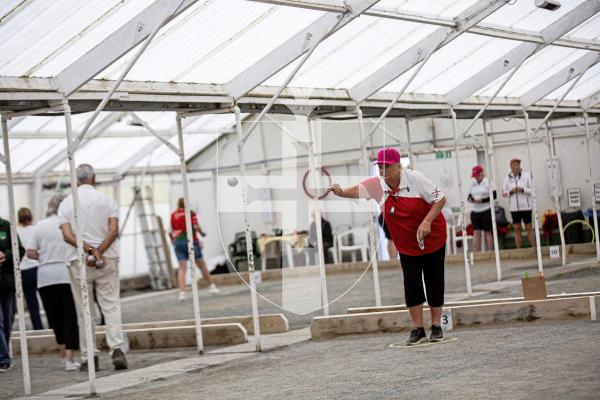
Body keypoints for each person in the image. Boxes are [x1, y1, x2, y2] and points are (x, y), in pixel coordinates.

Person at [329, 147, 447, 345]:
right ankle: (418, 329)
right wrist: (340, 192)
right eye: (379, 166)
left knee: (434, 280)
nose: (381, 170)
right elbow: (356, 190)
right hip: (406, 245)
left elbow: (440, 199)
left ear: (398, 166)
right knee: (411, 284)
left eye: (386, 166)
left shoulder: (416, 179)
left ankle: (436, 325)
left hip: (432, 237)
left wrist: (426, 222)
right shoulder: (378, 185)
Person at [58, 164, 128, 371]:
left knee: (84, 311)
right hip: (108, 259)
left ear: (77, 180)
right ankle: (116, 348)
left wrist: (88, 250)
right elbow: (114, 230)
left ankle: (90, 356)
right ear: (94, 179)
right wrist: (99, 251)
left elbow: (67, 235)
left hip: (77, 260)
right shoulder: (108, 200)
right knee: (111, 304)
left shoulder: (66, 203)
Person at [27, 194, 80, 371]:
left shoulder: (39, 226)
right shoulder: (68, 224)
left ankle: (62, 354)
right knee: (70, 316)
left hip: (45, 276)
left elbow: (30, 253)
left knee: (54, 317)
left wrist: (44, 255)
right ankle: (70, 359)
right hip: (65, 273)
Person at [170, 198, 219, 301]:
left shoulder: (173, 215)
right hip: (191, 241)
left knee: (182, 268)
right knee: (201, 265)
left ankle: (182, 293)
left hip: (178, 242)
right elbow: (196, 226)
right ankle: (211, 286)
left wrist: (173, 241)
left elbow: (170, 231)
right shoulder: (190, 213)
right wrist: (202, 233)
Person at [0, 216, 24, 372]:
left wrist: (5, 255)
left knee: (7, 321)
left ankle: (4, 353)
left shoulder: (6, 226)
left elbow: (20, 250)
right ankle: (3, 358)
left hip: (7, 282)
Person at [16, 208, 44, 330]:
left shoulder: (16, 232)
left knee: (32, 303)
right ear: (31, 217)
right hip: (38, 268)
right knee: (46, 300)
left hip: (24, 271)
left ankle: (38, 328)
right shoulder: (36, 229)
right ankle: (53, 326)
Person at [502, 158, 535, 248]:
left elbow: (533, 190)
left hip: (526, 207)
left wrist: (522, 189)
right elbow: (503, 193)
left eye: (518, 164)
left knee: (529, 227)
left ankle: (534, 249)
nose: (517, 166)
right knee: (517, 228)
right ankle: (518, 250)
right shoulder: (507, 178)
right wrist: (511, 192)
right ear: (511, 167)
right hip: (514, 208)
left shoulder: (527, 176)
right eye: (514, 165)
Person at [468, 165, 496, 252]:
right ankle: (477, 253)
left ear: (481, 173)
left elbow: (494, 196)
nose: (476, 178)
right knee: (476, 233)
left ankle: (490, 252)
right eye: (474, 176)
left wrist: (482, 200)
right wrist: (471, 199)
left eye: (477, 175)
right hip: (475, 211)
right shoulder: (473, 184)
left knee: (487, 232)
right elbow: (469, 196)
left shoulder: (488, 182)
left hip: (486, 210)